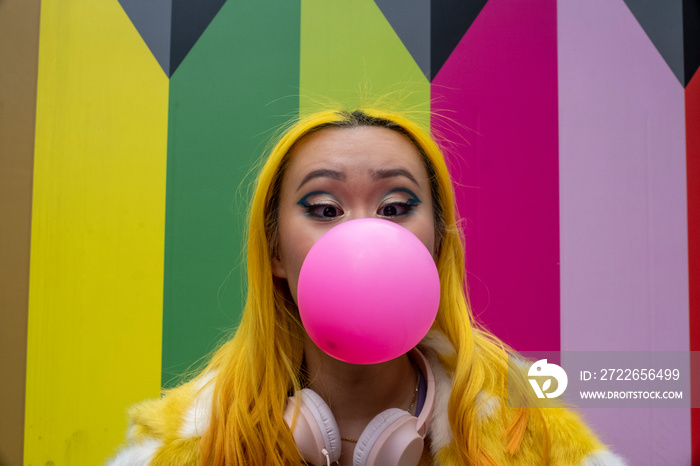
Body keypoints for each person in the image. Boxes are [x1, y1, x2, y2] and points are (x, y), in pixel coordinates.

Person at [109, 109, 626, 465]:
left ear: (437, 244)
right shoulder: (179, 445)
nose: (363, 234)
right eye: (325, 209)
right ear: (273, 253)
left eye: (396, 208)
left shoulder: (532, 434)